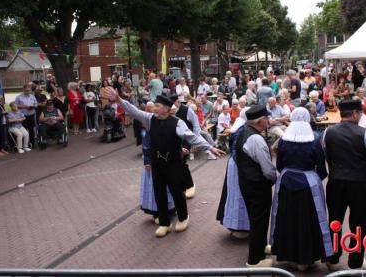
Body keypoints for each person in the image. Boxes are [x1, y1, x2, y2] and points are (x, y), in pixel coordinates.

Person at [116, 93, 224, 237]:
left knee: (177, 192)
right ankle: (164, 223)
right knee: (159, 193)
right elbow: (133, 110)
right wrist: (118, 99)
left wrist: (209, 147)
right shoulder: (150, 120)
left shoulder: (177, 123)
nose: (154, 108)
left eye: (157, 106)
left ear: (166, 108)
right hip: (157, 164)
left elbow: (192, 137)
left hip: (173, 164)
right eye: (154, 105)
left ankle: (183, 218)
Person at [269, 107, 331, 271]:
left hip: (286, 183)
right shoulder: (315, 138)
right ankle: (305, 258)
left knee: (287, 218)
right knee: (307, 221)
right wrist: (314, 178)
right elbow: (322, 168)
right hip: (308, 185)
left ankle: (289, 256)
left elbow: (280, 165)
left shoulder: (283, 140)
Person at [323, 99, 366, 270]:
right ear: (355, 113)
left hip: (336, 182)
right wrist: (360, 171)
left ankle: (332, 257)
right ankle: (356, 261)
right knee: (359, 223)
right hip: (359, 183)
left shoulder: (328, 132)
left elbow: (326, 154)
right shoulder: (364, 133)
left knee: (334, 220)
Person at [235, 105, 277, 267]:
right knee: (259, 220)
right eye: (267, 118)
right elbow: (268, 170)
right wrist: (275, 178)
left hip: (246, 183)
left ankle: (260, 247)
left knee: (255, 219)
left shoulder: (243, 132)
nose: (269, 120)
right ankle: (255, 260)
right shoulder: (256, 139)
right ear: (261, 121)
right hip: (258, 186)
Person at [216, 108, 250, 239]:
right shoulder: (242, 130)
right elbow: (238, 152)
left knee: (234, 193)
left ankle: (235, 224)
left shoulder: (239, 128)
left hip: (234, 164)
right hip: (238, 165)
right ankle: (239, 225)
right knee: (238, 194)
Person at [139, 102, 174, 223]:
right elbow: (146, 144)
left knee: (167, 186)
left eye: (153, 109)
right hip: (153, 161)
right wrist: (147, 160)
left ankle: (170, 208)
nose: (151, 112)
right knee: (154, 187)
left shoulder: (161, 121)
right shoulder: (147, 125)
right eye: (148, 110)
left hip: (164, 161)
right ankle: (157, 211)